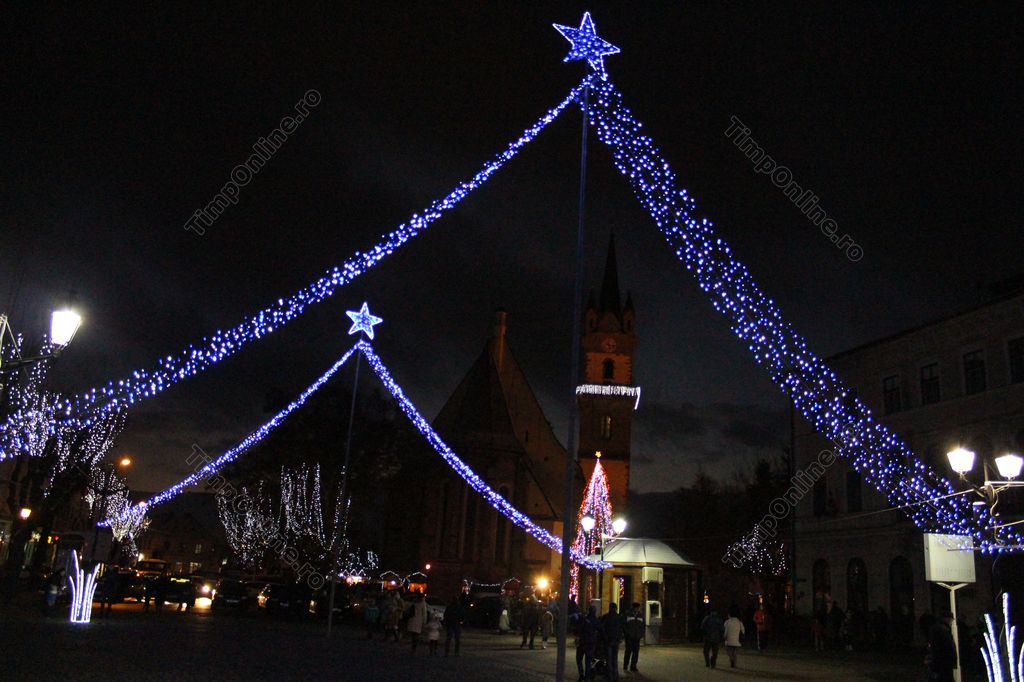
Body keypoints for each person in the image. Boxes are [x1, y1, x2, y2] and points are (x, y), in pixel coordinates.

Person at [927, 611, 957, 682]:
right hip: (944, 661)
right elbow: (948, 647)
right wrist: (953, 660)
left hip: (937, 661)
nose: (951, 622)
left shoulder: (935, 628)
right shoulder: (944, 630)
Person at [600, 602, 625, 682]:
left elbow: (602, 628)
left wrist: (605, 637)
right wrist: (619, 638)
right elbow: (621, 629)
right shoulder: (619, 617)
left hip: (608, 641)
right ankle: (615, 676)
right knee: (614, 659)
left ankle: (610, 676)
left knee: (609, 659)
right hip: (615, 640)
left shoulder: (606, 617)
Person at [575, 604, 599, 682]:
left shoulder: (584, 619)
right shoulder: (596, 620)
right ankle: (587, 677)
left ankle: (581, 674)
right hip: (591, 643)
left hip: (583, 642)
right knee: (588, 661)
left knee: (579, 659)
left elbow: (578, 629)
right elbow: (601, 629)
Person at [623, 602, 645, 673]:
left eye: (638, 608)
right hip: (629, 637)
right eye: (636, 608)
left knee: (635, 652)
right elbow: (624, 625)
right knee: (628, 651)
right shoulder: (627, 614)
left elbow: (643, 626)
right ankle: (625, 665)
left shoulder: (640, 615)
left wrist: (641, 634)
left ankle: (633, 666)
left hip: (637, 637)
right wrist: (627, 634)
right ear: (633, 608)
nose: (637, 609)